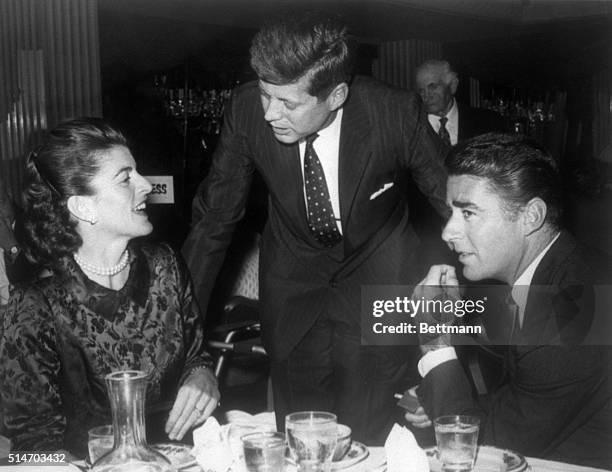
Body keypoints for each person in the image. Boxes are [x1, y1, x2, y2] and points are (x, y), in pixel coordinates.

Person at [182, 12, 448, 444]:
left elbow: (455, 204)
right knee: (302, 435)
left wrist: (450, 278)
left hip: (378, 281)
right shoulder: (248, 108)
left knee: (369, 428)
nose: (270, 113)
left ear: (336, 94)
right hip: (294, 285)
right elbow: (214, 221)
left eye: (288, 103)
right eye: (267, 94)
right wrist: (179, 329)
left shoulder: (394, 113)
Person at [0, 118, 219, 457]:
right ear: (82, 207)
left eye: (138, 173)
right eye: (125, 178)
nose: (146, 185)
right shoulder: (36, 303)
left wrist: (204, 378)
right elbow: (33, 445)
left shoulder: (165, 266)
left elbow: (195, 357)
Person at [405, 133, 612, 468]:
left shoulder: (576, 307)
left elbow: (481, 455)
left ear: (531, 216)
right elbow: (520, 402)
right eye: (450, 213)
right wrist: (441, 393)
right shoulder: (554, 273)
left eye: (468, 213)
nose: (447, 233)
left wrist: (435, 342)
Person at [415, 59, 506, 147]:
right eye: (421, 90)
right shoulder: (411, 129)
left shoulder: (488, 122)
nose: (426, 96)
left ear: (453, 85)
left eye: (433, 87)